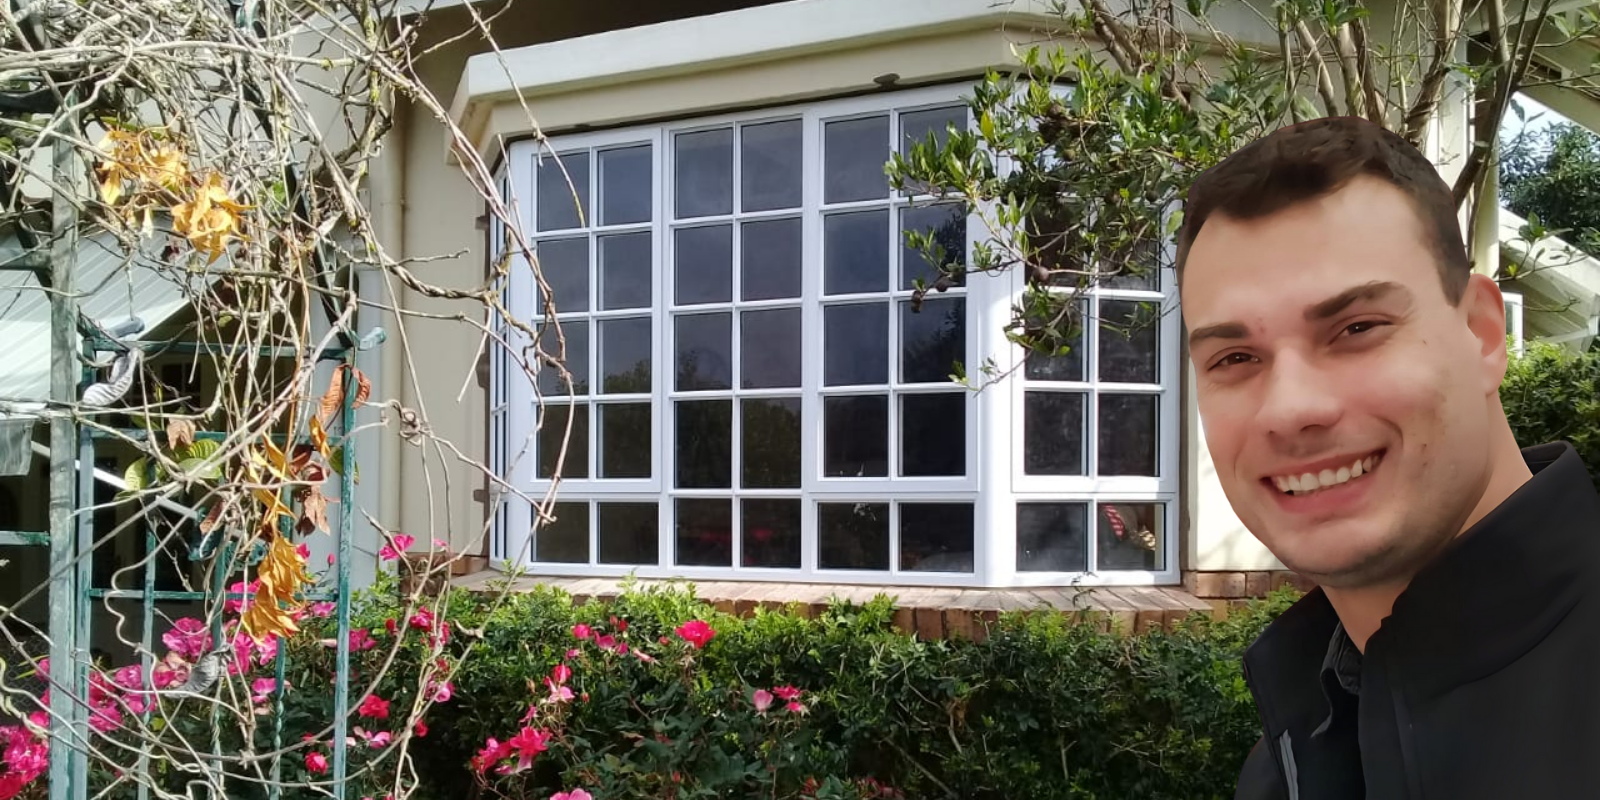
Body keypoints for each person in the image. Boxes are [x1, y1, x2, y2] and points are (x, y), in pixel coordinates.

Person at [1175, 115, 1600, 799]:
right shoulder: (1293, 748)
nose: (1290, 408)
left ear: (1484, 335)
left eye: (1357, 328)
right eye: (1236, 358)